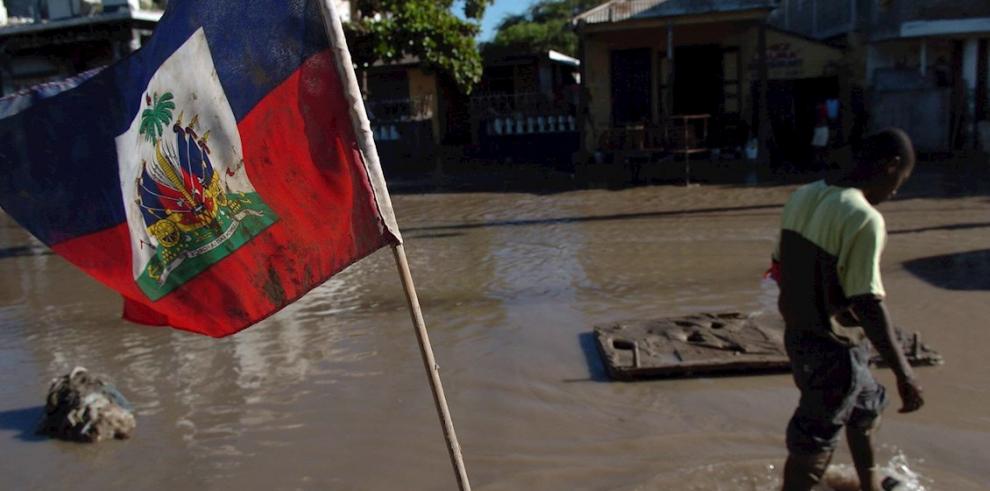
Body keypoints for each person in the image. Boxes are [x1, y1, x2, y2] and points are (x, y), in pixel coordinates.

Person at [768, 128, 925, 491]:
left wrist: (820, 302)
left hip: (801, 338)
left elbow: (779, 266)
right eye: (901, 180)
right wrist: (905, 374)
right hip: (832, 351)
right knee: (814, 442)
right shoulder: (864, 218)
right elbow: (868, 302)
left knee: (866, 406)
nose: (897, 190)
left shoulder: (803, 196)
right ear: (891, 166)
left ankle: (869, 485)